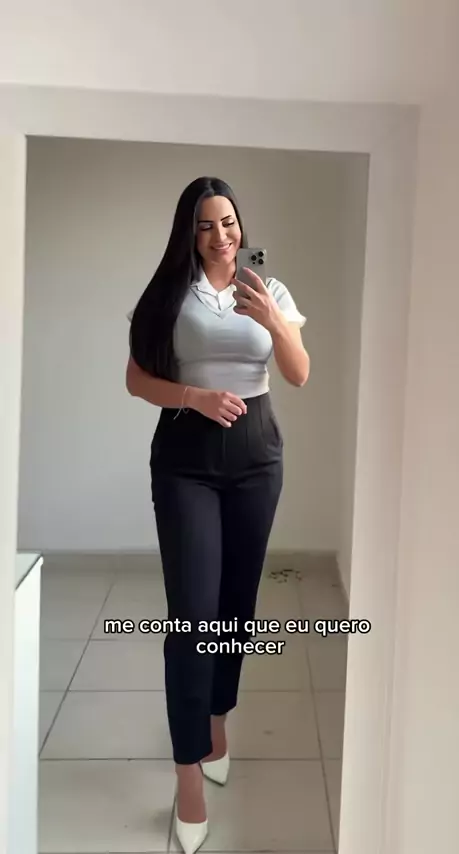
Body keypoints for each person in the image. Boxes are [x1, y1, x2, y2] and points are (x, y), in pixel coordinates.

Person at [126, 176, 309, 854]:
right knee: (192, 618)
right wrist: (194, 397)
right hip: (186, 460)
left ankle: (217, 722)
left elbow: (298, 372)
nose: (221, 235)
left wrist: (272, 320)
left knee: (235, 607)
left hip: (258, 457)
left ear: (240, 225)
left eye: (227, 222)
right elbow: (136, 379)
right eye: (206, 224)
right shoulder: (169, 294)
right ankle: (187, 775)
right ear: (189, 230)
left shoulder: (270, 288)